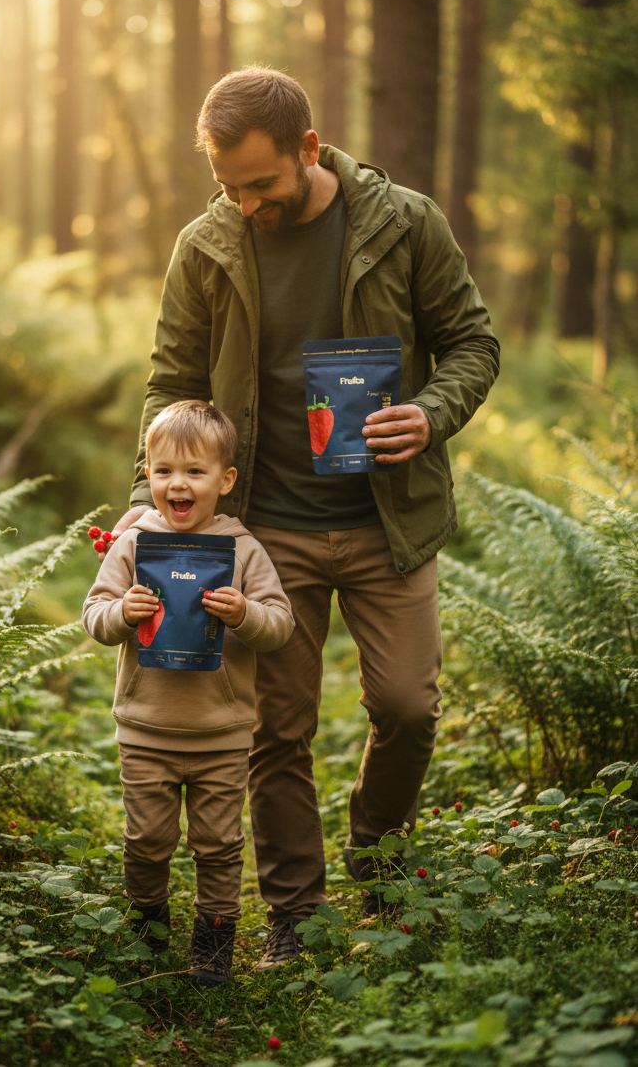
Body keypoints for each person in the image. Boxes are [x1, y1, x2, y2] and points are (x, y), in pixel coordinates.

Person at [105, 67, 500, 969]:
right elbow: (173, 382)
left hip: (386, 520)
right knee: (276, 730)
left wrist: (429, 412)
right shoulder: (204, 246)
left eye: (261, 184)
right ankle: (293, 910)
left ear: (309, 151)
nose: (245, 204)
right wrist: (147, 507)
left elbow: (472, 342)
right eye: (227, 186)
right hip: (261, 528)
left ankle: (378, 854)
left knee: (405, 706)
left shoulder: (405, 223)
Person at [82, 399, 294, 986]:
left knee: (218, 842)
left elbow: (281, 624)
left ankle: (214, 942)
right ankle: (148, 924)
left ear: (224, 481)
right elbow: (94, 616)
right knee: (147, 838)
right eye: (164, 470)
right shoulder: (133, 544)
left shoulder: (242, 550)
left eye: (194, 472)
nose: (178, 483)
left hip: (222, 732)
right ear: (147, 474)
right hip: (145, 728)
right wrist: (123, 611)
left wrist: (245, 613)